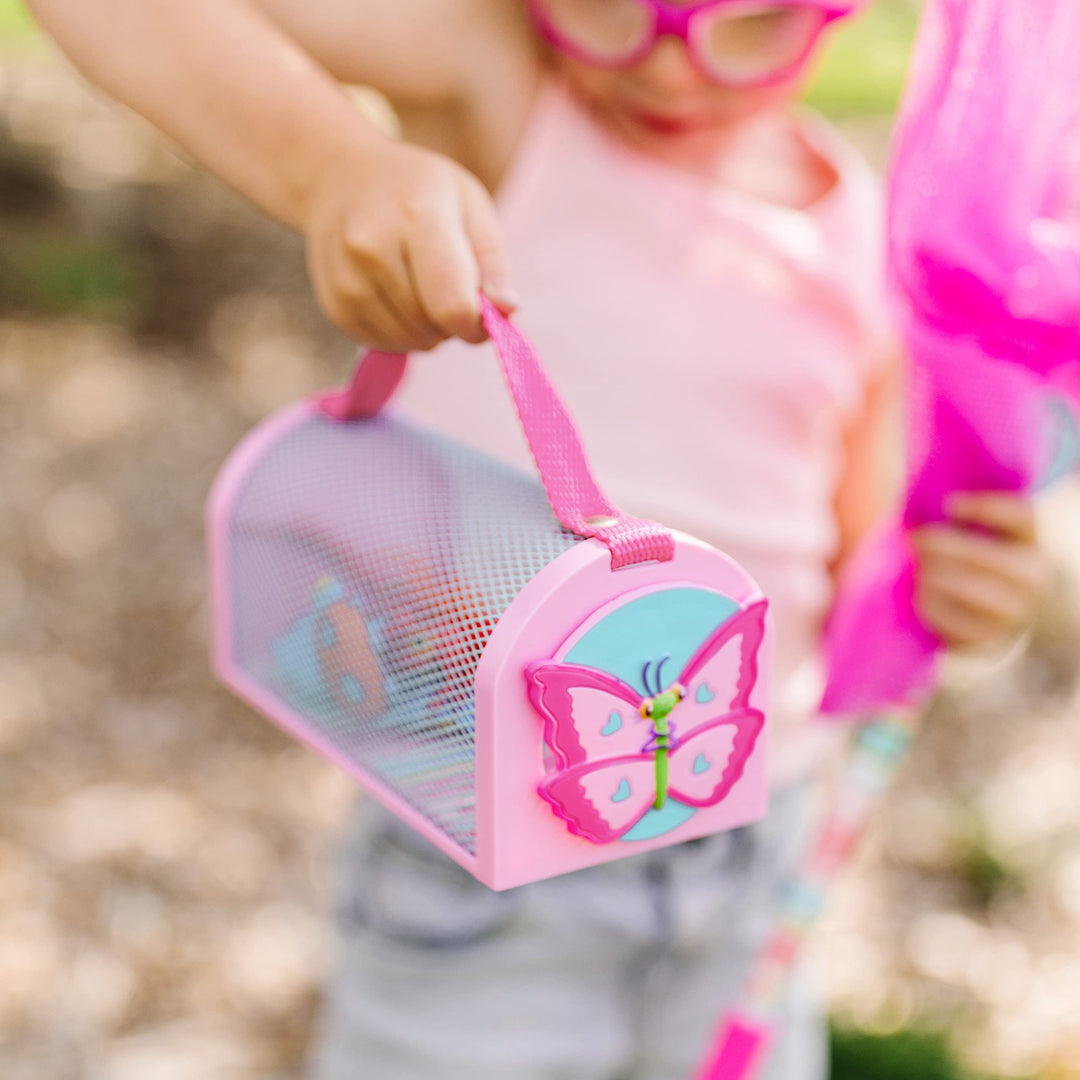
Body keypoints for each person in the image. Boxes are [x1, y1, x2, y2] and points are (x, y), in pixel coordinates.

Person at [26, 1, 1048, 1076]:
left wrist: (947, 591)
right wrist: (335, 169)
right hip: (486, 857)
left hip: (750, 857)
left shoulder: (869, 248)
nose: (666, 71)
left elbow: (850, 566)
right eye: (606, 7)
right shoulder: (504, 96)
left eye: (747, 22)